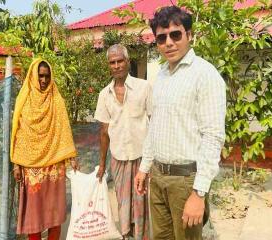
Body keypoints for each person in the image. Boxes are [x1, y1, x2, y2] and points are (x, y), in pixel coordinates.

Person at [134, 6, 226, 240]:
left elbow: (213, 136)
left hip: (186, 182)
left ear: (189, 35)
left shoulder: (205, 74)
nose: (169, 43)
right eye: (162, 38)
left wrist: (199, 192)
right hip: (158, 177)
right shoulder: (162, 75)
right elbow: (155, 127)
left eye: (176, 34)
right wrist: (145, 168)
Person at [10, 59, 79, 240]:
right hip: (31, 166)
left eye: (47, 76)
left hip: (54, 165)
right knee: (34, 214)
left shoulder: (56, 99)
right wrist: (17, 165)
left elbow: (64, 128)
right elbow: (17, 133)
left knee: (54, 213)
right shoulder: (23, 100)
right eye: (40, 76)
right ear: (33, 76)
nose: (43, 80)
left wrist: (71, 157)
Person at [94, 44, 151, 240]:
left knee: (143, 202)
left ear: (128, 62)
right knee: (123, 203)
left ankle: (143, 236)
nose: (117, 65)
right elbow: (104, 132)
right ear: (108, 66)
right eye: (112, 62)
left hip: (142, 158)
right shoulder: (104, 94)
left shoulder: (144, 87)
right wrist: (102, 164)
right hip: (118, 158)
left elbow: (154, 121)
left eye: (120, 61)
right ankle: (127, 235)